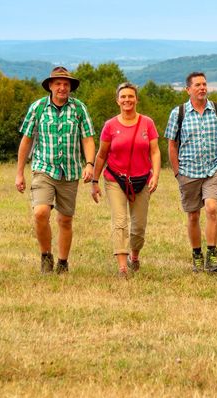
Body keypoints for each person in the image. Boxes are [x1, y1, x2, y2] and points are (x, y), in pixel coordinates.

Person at [15, 66, 95, 274]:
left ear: (70, 87)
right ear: (50, 86)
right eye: (58, 84)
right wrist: (19, 173)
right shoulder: (38, 108)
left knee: (65, 220)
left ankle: (63, 262)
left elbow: (87, 138)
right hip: (44, 168)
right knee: (41, 212)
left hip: (70, 171)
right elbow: (26, 140)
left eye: (66, 84)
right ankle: (45, 256)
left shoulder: (79, 109)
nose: (62, 88)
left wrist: (89, 164)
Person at [90, 82, 161, 277]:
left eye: (131, 96)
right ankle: (122, 267)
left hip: (142, 179)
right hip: (115, 179)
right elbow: (101, 155)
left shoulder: (147, 123)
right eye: (123, 97)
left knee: (138, 226)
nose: (127, 100)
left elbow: (154, 151)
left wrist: (155, 174)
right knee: (120, 221)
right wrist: (94, 182)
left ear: (136, 99)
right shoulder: (110, 125)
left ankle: (134, 256)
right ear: (117, 101)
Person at [164, 72, 217, 273]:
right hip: (187, 172)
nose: (202, 88)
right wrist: (177, 172)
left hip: (213, 170)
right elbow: (171, 144)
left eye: (204, 84)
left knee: (211, 208)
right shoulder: (178, 113)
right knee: (193, 216)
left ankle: (212, 256)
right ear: (188, 89)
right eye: (197, 85)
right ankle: (196, 255)